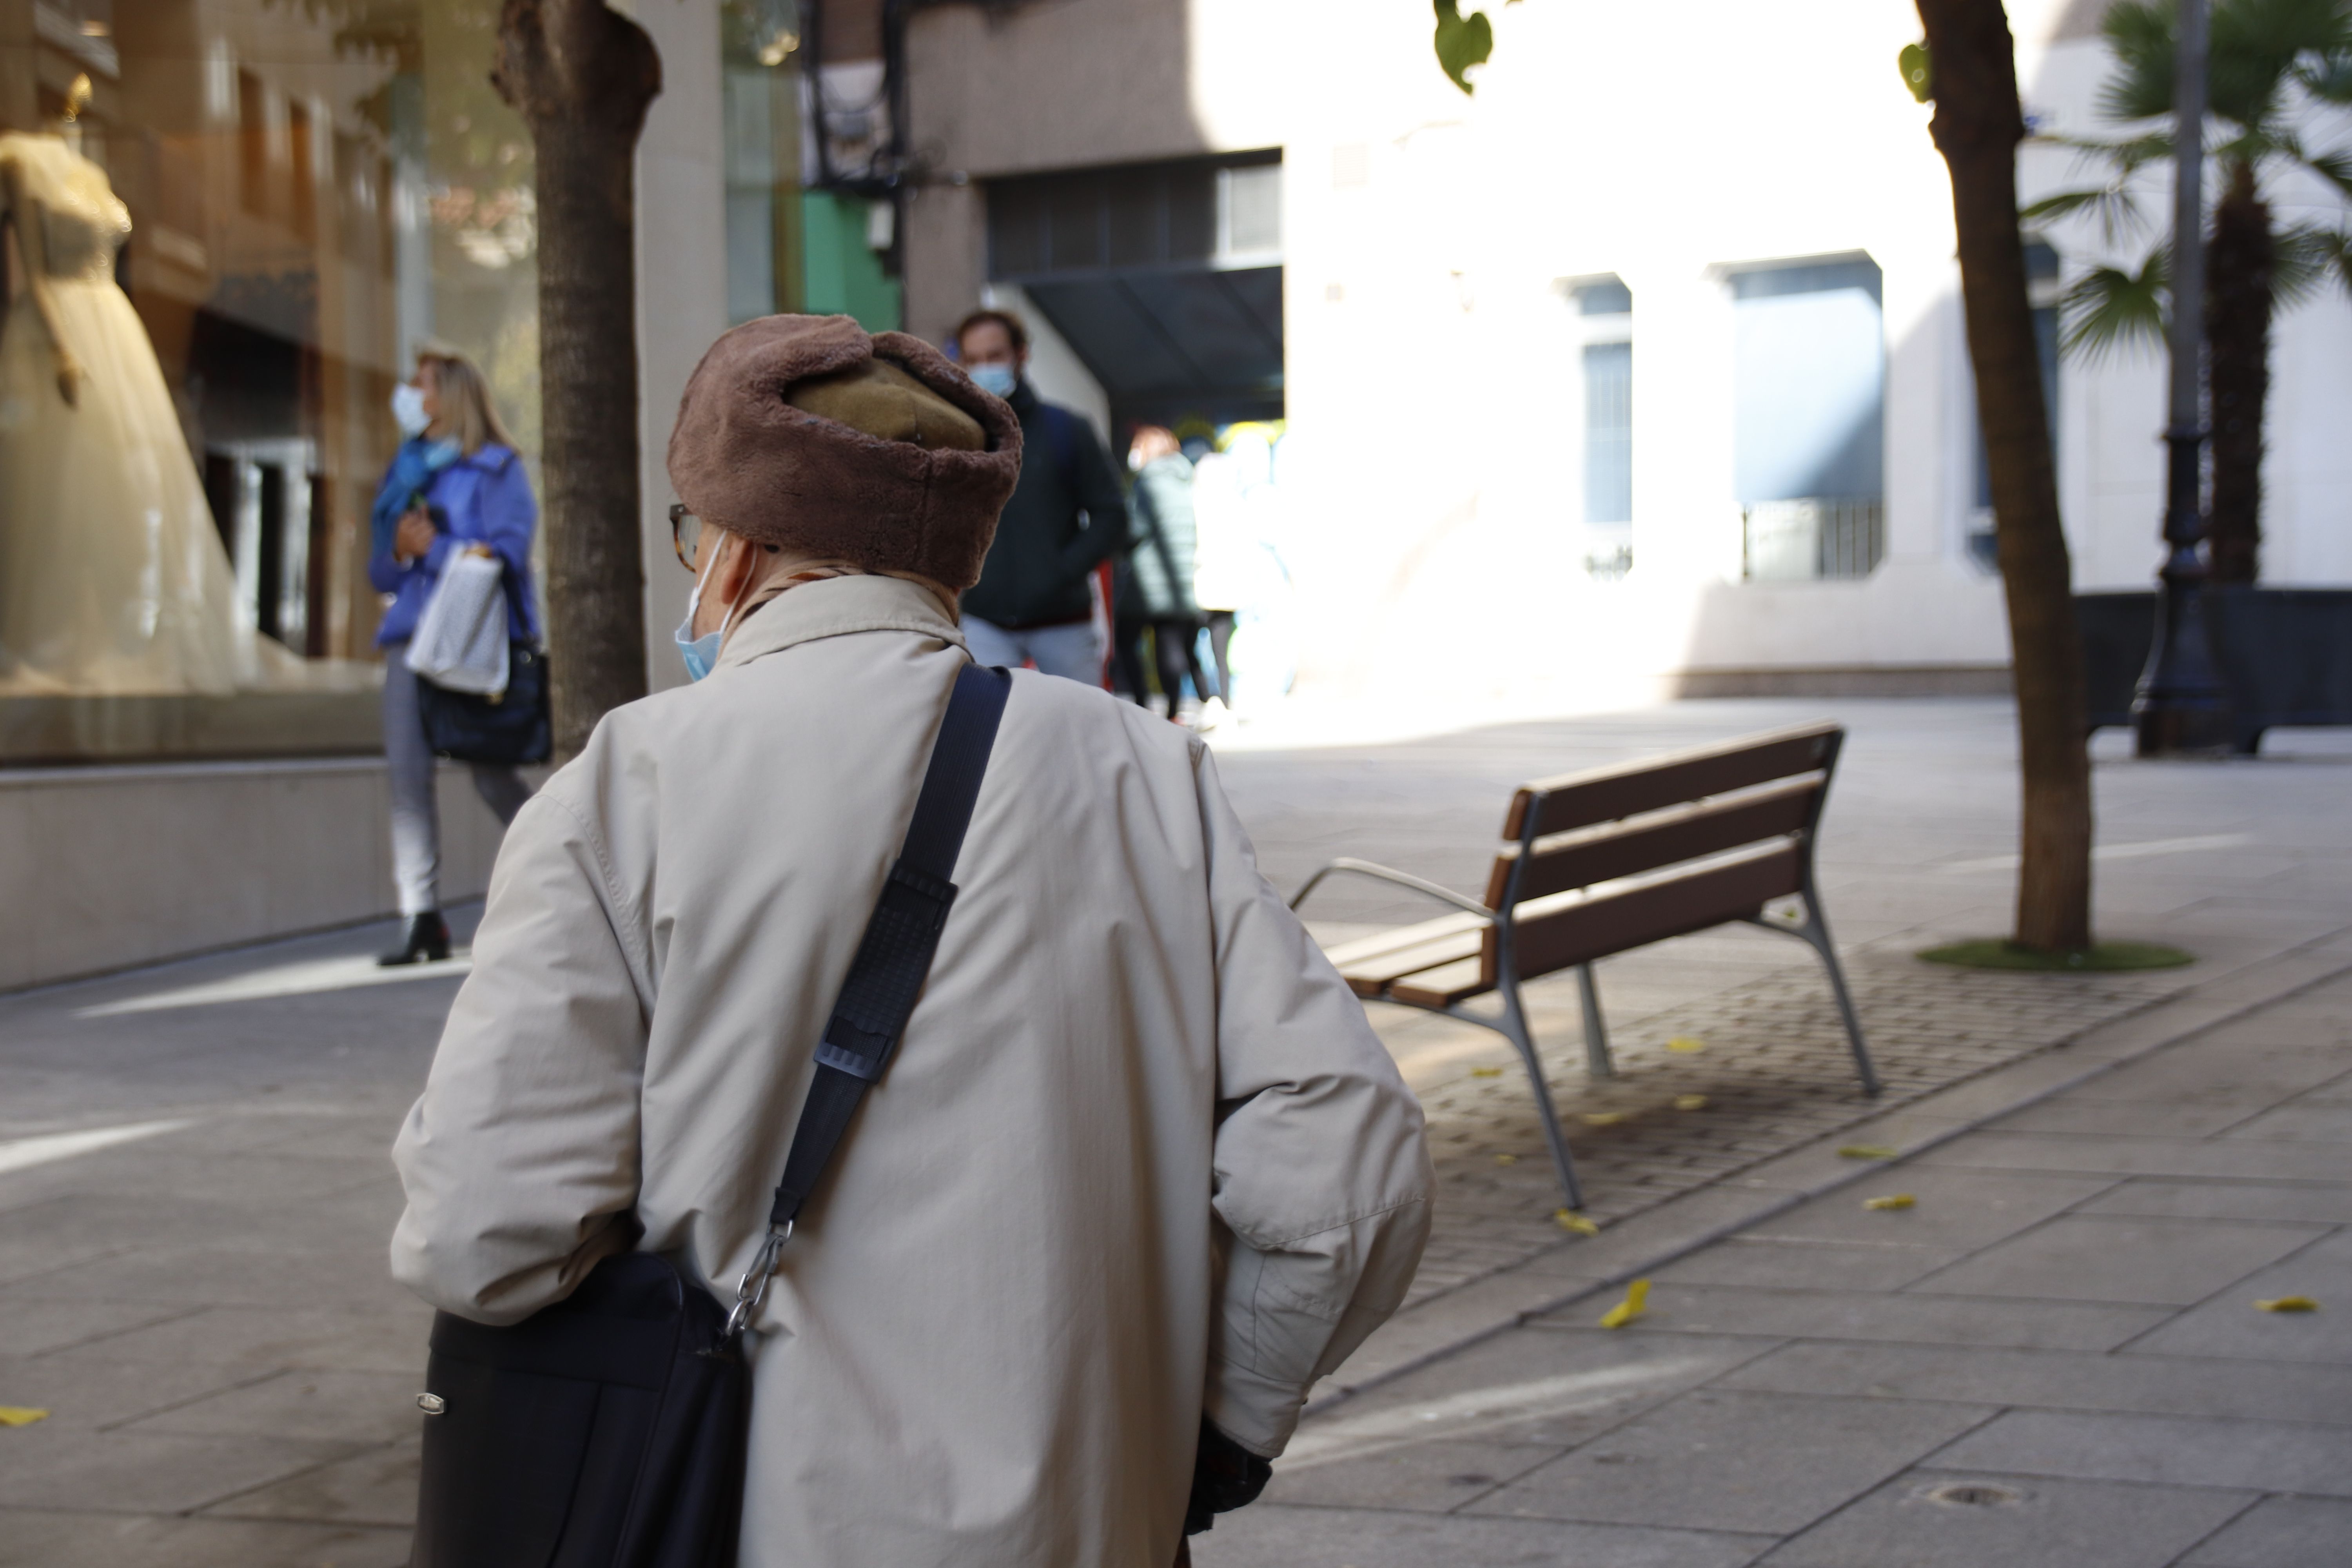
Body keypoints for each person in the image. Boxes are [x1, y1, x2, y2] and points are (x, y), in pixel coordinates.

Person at [389, 314, 1431, 1567]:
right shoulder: (1143, 771)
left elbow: (486, 1234)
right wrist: (1219, 1426)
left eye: (691, 532)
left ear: (735, 547)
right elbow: (1347, 1172)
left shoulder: (623, 791)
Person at [0, 129, 308, 695]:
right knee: (61, 488)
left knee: (121, 483)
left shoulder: (93, 173)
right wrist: (60, 348)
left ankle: (113, 628)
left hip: (114, 330)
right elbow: (32, 272)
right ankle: (58, 632)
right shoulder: (20, 163)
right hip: (60, 331)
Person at [366, 347, 537, 965]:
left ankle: (570, 871)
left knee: (491, 773)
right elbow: (379, 569)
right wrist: (405, 552)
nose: (410, 392)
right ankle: (421, 918)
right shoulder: (407, 471)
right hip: (410, 641)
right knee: (408, 782)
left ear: (451, 396)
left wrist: (434, 549)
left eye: (422, 383)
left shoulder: (497, 469)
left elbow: (507, 555)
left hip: (473, 644)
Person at [951, 307, 1129, 682]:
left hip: (1064, 621)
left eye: (995, 356)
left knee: (1084, 731)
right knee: (991, 736)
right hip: (984, 621)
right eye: (975, 359)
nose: (985, 367)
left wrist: (1061, 571)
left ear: (1021, 355)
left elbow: (1112, 515)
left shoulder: (1068, 430)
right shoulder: (957, 437)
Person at [1115, 425, 1223, 727]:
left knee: (1126, 642)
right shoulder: (1186, 481)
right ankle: (1173, 713)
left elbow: (1134, 529)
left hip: (1146, 582)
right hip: (1181, 582)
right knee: (1172, 649)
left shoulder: (1147, 483)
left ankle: (1141, 706)